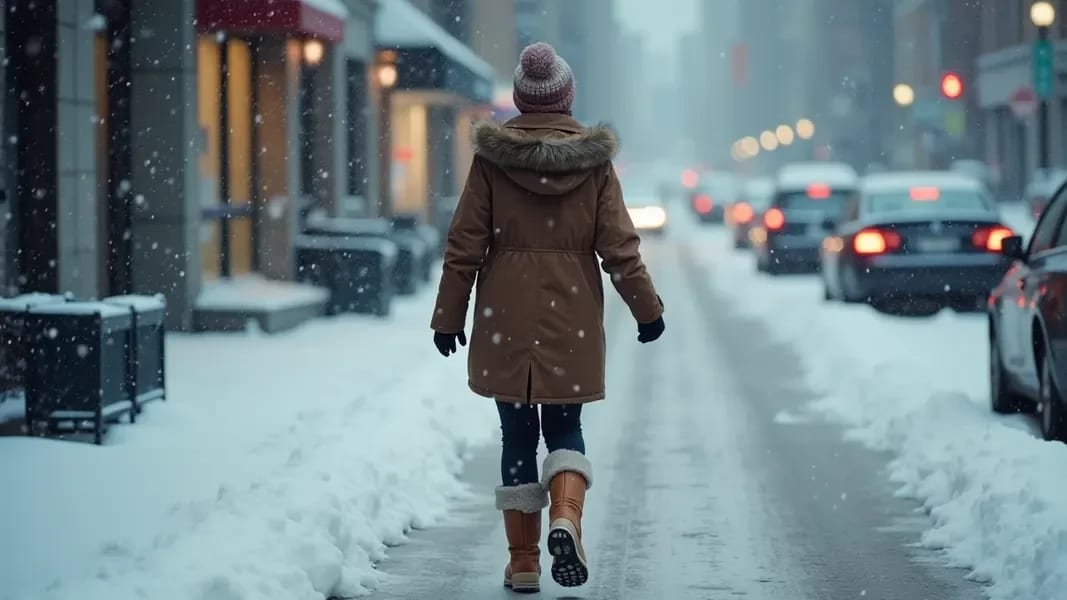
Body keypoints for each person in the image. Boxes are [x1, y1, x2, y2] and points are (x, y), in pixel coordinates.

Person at [430, 41, 664, 592]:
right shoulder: (595, 164)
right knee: (565, 427)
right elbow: (620, 248)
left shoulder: (492, 161)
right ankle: (567, 516)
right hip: (572, 315)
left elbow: (464, 244)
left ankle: (525, 561)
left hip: (504, 313)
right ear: (566, 97)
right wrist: (646, 310)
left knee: (516, 435)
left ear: (519, 98)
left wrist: (448, 315)